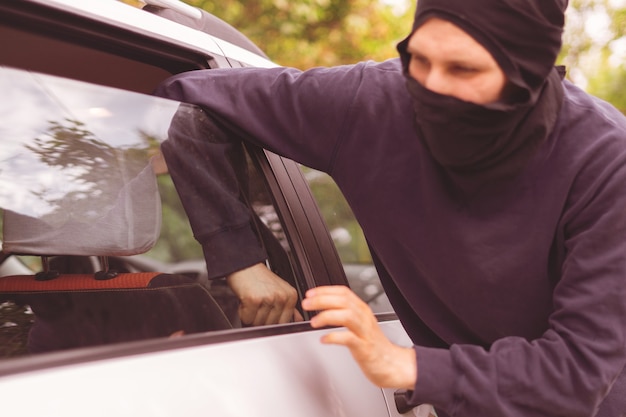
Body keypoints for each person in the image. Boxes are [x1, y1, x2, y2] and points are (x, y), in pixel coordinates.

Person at [154, 0, 626, 415]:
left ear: (528, 71)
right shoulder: (372, 102)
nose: (430, 89)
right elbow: (189, 104)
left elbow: (577, 374)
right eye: (419, 59)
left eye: (463, 70)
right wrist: (239, 258)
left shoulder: (604, 161)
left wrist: (407, 364)